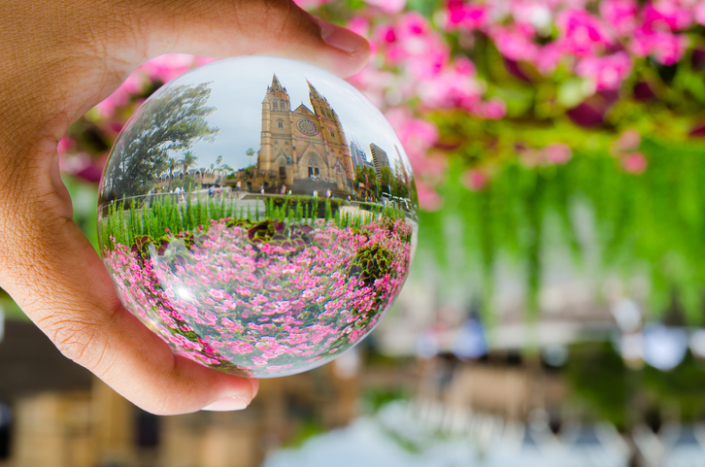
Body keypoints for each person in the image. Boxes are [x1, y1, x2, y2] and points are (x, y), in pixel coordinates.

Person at [0, 0, 369, 416]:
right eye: (278, 108)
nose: (282, 113)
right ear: (274, 109)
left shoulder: (321, 129)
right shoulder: (274, 134)